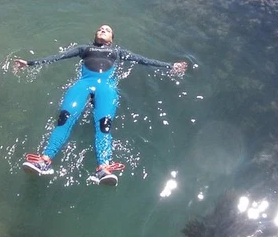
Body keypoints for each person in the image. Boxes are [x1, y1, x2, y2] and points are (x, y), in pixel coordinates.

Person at [14, 24, 187, 186]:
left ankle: (103, 169)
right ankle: (45, 161)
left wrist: (171, 66)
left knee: (104, 125)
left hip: (106, 88)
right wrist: (30, 63)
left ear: (112, 38)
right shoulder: (85, 49)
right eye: (100, 29)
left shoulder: (118, 52)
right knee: (64, 118)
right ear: (96, 35)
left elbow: (144, 60)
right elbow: (58, 57)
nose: (103, 30)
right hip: (82, 85)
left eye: (107, 29)